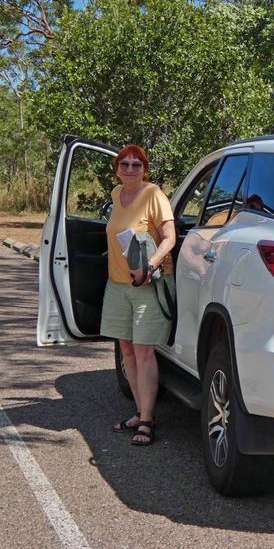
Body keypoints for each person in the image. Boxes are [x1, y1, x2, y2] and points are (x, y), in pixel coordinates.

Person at [101, 144, 175, 446]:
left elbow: (170, 237)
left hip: (147, 285)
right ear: (116, 168)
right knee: (127, 350)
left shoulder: (153, 194)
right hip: (118, 285)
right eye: (125, 164)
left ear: (145, 169)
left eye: (136, 165)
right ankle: (140, 410)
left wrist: (148, 266)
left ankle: (146, 422)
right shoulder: (116, 196)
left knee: (144, 352)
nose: (130, 169)